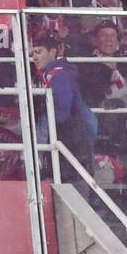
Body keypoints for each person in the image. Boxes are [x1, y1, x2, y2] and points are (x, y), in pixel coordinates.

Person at [30, 34, 98, 177]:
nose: (34, 57)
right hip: (74, 145)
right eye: (32, 53)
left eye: (39, 52)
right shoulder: (57, 73)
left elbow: (60, 114)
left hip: (70, 147)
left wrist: (40, 104)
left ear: (53, 52)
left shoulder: (59, 75)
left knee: (74, 191)